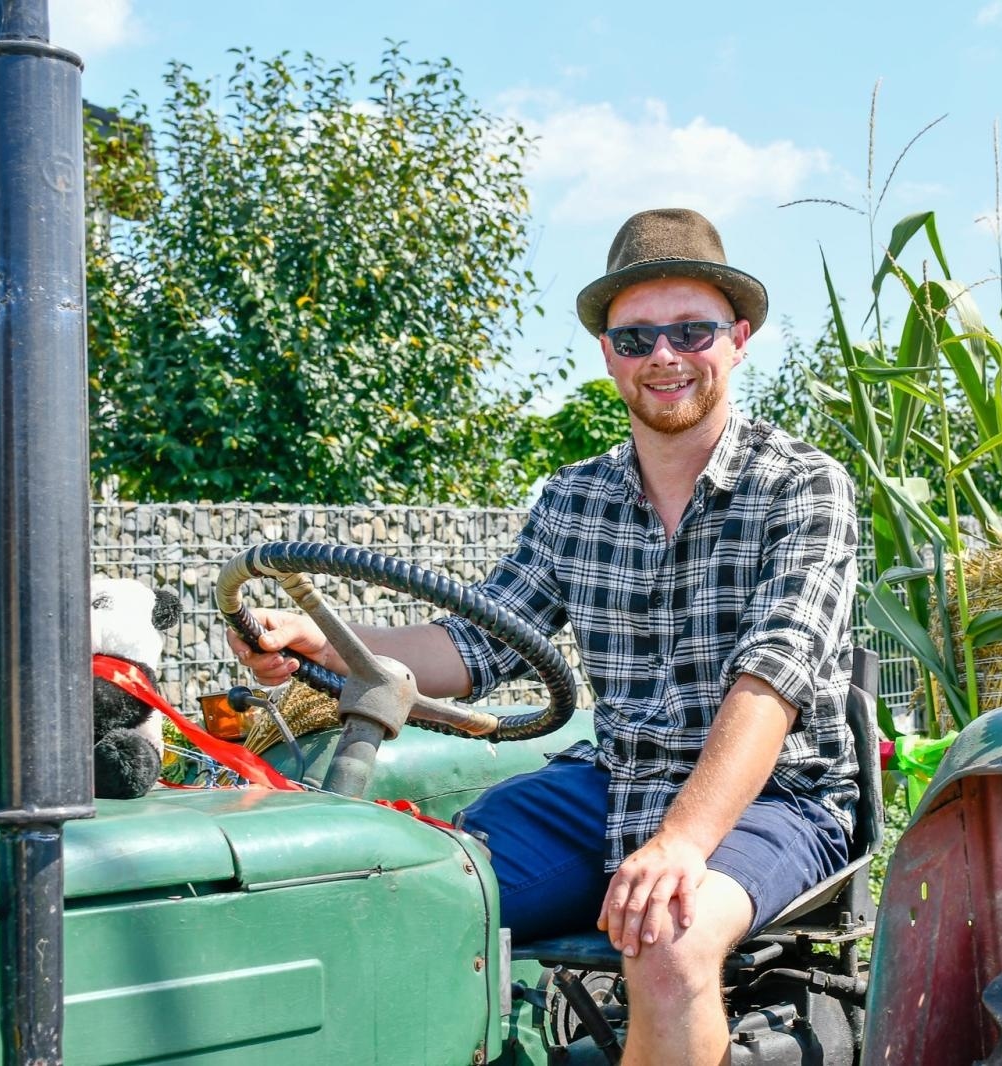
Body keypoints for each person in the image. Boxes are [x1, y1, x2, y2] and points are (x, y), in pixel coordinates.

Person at [229, 207, 860, 1066]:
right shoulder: (574, 498)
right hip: (613, 785)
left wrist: (679, 842)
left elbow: (770, 684)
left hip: (774, 800)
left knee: (669, 945)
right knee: (415, 893)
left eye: (691, 330)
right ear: (608, 353)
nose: (664, 357)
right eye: (637, 339)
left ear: (738, 339)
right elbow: (477, 646)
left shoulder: (803, 487)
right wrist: (322, 639)